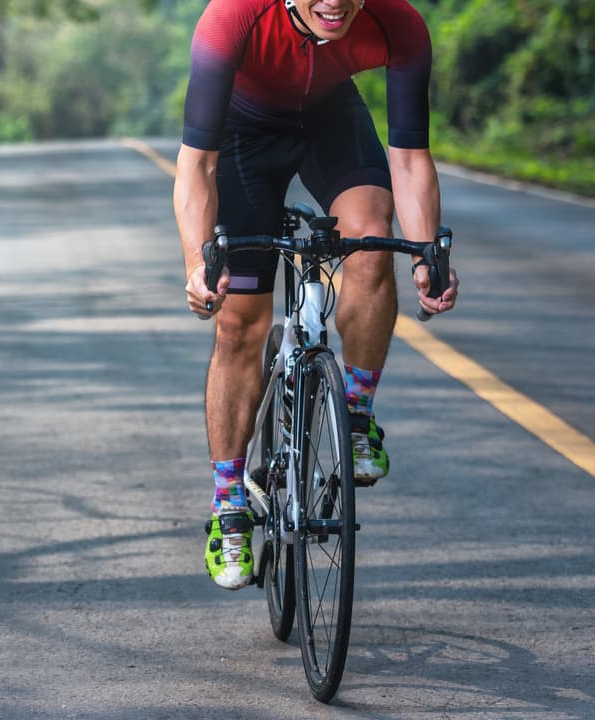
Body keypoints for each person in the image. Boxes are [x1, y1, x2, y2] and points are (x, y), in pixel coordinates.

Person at [174, 0, 460, 590]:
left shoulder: (397, 22)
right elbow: (197, 164)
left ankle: (354, 416)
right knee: (237, 324)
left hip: (331, 121)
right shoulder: (232, 19)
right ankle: (229, 507)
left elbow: (408, 160)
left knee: (372, 242)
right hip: (239, 139)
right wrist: (197, 263)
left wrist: (429, 251)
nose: (334, 0)